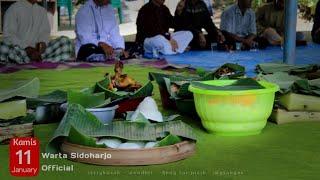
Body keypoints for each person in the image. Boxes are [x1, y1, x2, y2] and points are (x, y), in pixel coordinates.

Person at [0, 0, 73, 64]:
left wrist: (43, 43)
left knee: (65, 41)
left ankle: (39, 64)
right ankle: (41, 64)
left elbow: (44, 32)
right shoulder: (13, 9)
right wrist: (27, 49)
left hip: (40, 54)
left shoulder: (42, 11)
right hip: (20, 52)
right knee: (3, 47)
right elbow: (9, 35)